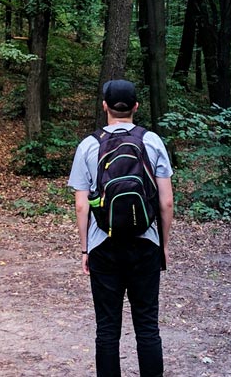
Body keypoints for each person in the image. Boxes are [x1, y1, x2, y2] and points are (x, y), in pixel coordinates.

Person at [68, 79, 174, 377]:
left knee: (107, 328)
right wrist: (162, 246)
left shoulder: (89, 145)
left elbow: (81, 205)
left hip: (103, 245)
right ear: (136, 106)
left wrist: (85, 248)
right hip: (146, 243)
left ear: (105, 106)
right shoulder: (152, 141)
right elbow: (166, 203)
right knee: (147, 327)